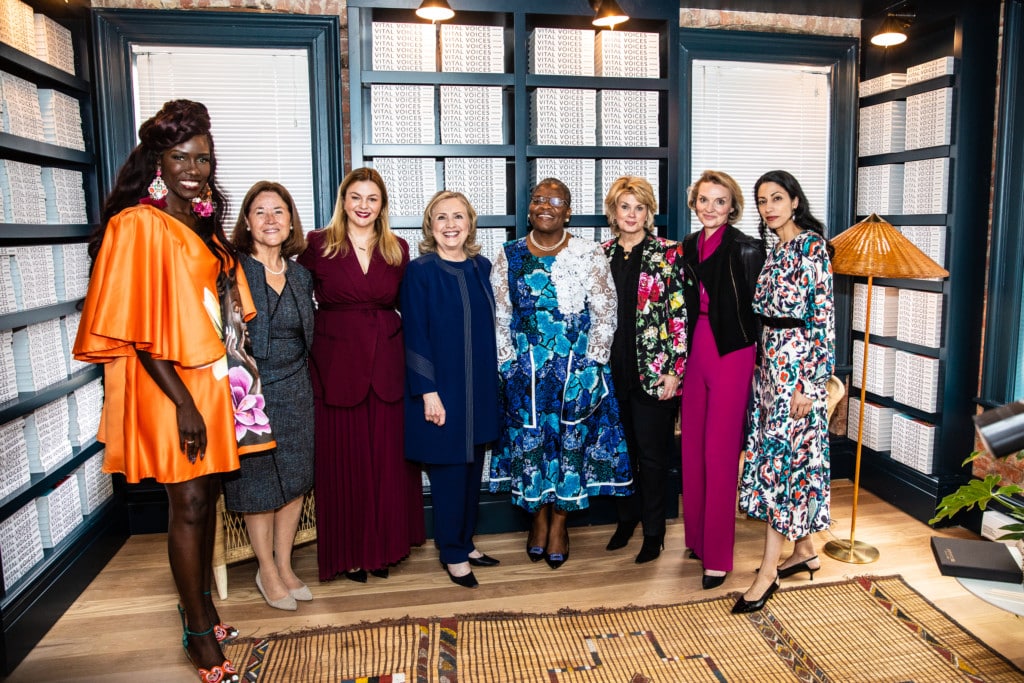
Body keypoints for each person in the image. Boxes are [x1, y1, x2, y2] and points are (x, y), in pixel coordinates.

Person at [73, 99, 268, 683]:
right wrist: (182, 403)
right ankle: (198, 638)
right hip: (170, 388)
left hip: (208, 381)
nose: (193, 168)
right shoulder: (137, 224)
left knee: (205, 500)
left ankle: (202, 606)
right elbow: (133, 324)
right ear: (158, 161)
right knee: (186, 504)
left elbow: (218, 310)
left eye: (202, 158)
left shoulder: (200, 225)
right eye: (180, 157)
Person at [489, 177, 632, 570]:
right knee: (530, 445)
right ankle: (537, 519)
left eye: (555, 201)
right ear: (529, 208)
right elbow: (500, 317)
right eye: (537, 199)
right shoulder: (509, 254)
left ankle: (560, 523)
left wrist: (592, 366)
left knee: (572, 446)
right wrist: (507, 364)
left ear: (568, 211)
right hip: (526, 370)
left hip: (576, 367)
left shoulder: (588, 253)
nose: (545, 206)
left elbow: (606, 312)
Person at [297, 167, 425, 582]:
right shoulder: (318, 245)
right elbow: (297, 302)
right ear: (343, 200)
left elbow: (414, 308)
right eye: (356, 197)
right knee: (343, 463)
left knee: (387, 461)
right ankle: (350, 552)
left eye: (372, 198)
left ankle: (384, 549)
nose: (363, 206)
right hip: (336, 366)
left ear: (382, 204)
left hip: (389, 364)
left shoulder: (397, 248)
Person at [732, 170, 835, 614]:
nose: (768, 207)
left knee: (780, 466)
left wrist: (811, 386)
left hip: (797, 372)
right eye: (761, 201)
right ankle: (805, 550)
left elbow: (823, 321)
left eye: (777, 198)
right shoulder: (777, 249)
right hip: (770, 366)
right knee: (788, 460)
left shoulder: (812, 247)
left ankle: (767, 571)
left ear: (795, 200)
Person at [401, 191, 500, 589]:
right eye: (441, 218)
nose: (450, 224)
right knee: (447, 472)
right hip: (441, 388)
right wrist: (428, 391)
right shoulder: (419, 271)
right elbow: (415, 335)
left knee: (473, 468)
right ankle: (452, 553)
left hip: (478, 386)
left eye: (458, 216)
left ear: (470, 223)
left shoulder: (482, 267)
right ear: (430, 226)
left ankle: (465, 540)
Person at [225, 181, 315, 610]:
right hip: (249, 393)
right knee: (259, 486)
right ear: (247, 222)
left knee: (295, 481)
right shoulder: (232, 271)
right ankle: (266, 569)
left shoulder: (301, 275)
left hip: (297, 387)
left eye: (278, 211)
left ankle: (285, 564)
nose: (270, 220)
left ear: (291, 219)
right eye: (260, 212)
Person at [680, 170, 766, 590]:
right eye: (704, 200)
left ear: (732, 207)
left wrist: (759, 363)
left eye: (720, 201)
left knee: (719, 452)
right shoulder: (688, 245)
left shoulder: (748, 248)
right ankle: (695, 538)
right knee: (692, 445)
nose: (710, 208)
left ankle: (717, 555)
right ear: (694, 202)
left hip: (732, 350)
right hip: (696, 346)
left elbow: (761, 312)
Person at [600, 176, 687, 564]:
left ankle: (654, 533)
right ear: (613, 213)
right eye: (624, 207)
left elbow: (680, 315)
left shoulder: (669, 254)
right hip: (609, 372)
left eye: (639, 207)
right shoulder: (599, 255)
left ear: (648, 213)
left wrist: (675, 369)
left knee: (653, 456)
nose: (631, 215)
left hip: (654, 373)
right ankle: (626, 520)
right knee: (622, 453)